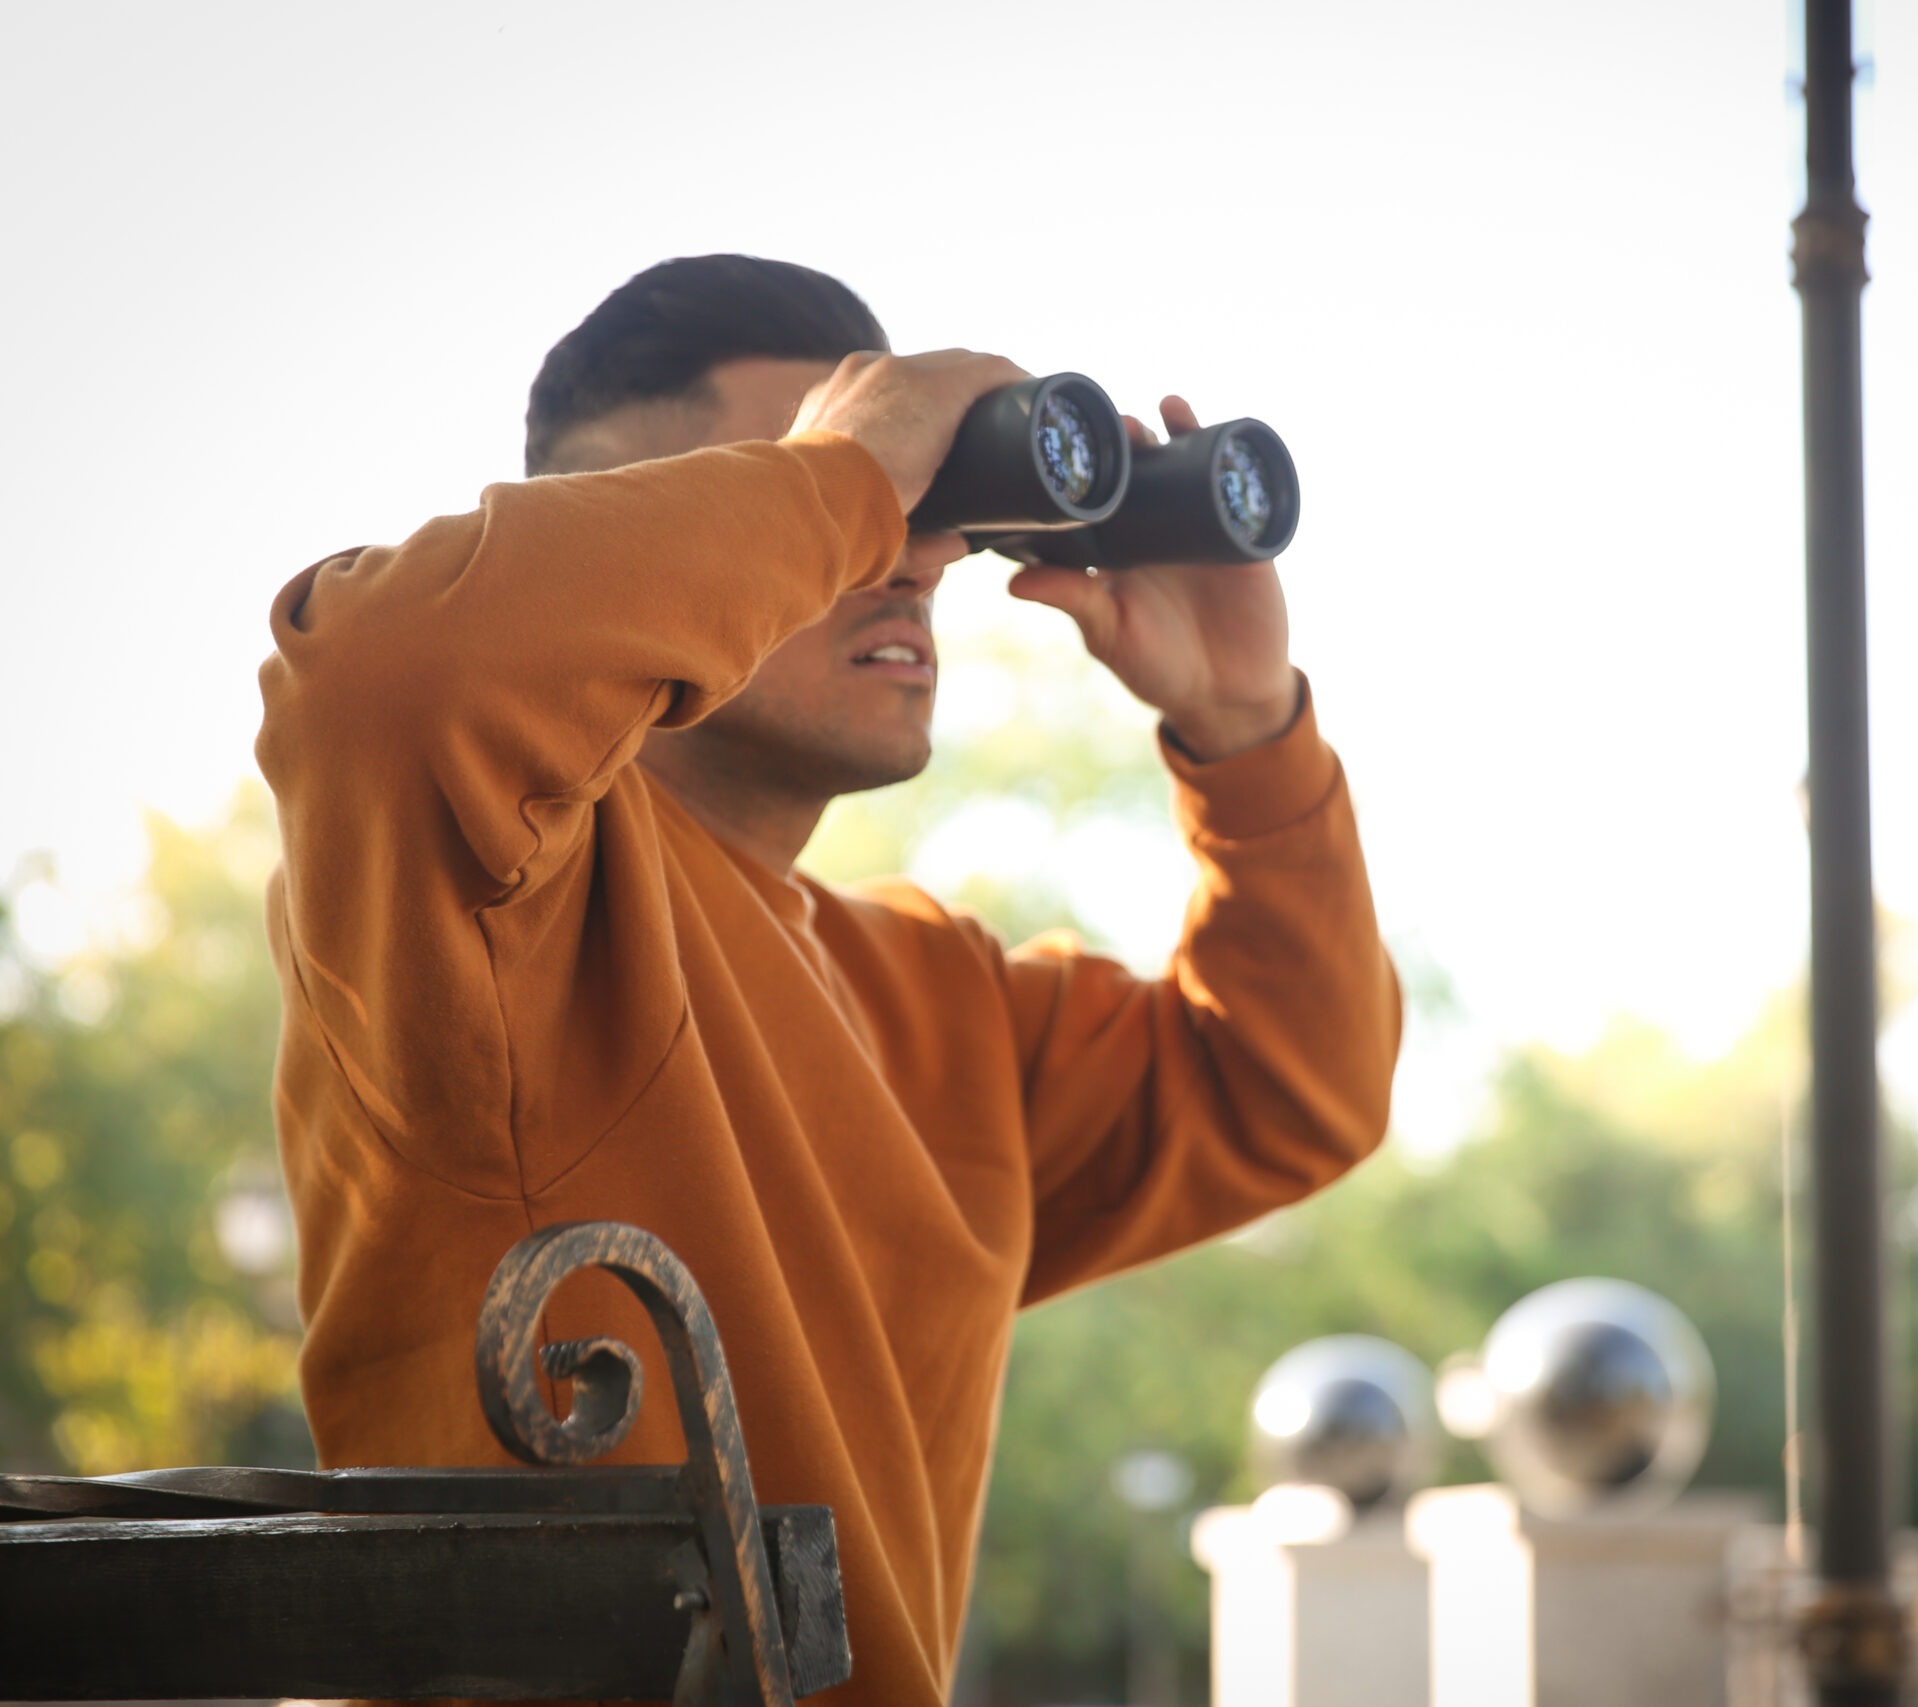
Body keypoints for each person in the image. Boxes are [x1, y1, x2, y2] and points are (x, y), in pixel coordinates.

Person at [254, 253, 1400, 1703]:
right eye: (839, 495)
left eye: (931, 513)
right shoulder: (493, 902)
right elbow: (379, 676)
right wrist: (844, 473)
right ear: (632, 528)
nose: (914, 554)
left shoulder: (936, 995)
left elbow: (1290, 1088)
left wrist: (1246, 729)